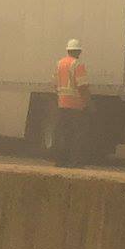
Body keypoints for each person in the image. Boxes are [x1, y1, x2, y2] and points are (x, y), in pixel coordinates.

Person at [53, 38, 90, 167]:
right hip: (75, 106)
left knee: (63, 133)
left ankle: (59, 161)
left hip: (62, 104)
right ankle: (75, 162)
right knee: (77, 135)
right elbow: (83, 87)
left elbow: (55, 84)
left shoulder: (59, 64)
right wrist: (88, 103)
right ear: (78, 51)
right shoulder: (77, 65)